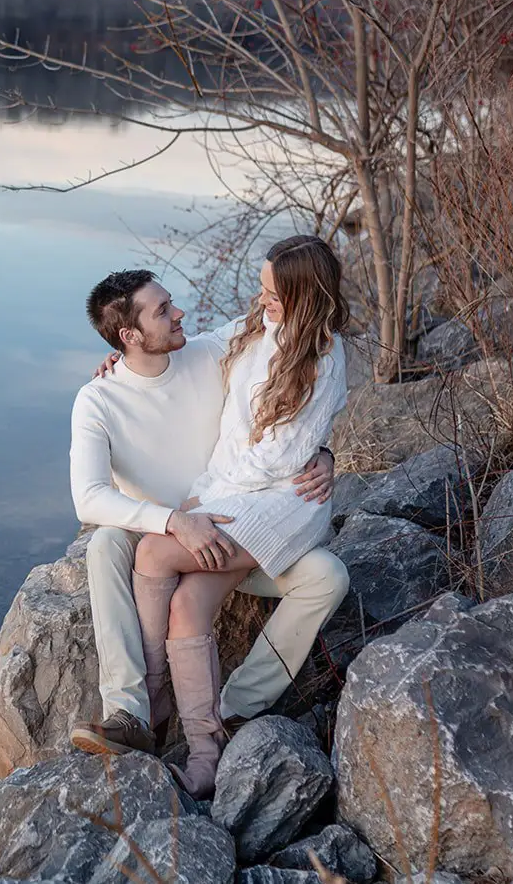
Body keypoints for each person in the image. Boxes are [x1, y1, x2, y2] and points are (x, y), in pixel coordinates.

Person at [66, 256, 344, 765]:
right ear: (128, 335)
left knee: (328, 575)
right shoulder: (98, 399)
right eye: (163, 310)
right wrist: (176, 521)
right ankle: (133, 711)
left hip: (237, 519)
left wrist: (322, 456)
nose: (180, 314)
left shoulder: (212, 351)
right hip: (166, 533)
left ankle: (238, 707)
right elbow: (88, 498)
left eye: (171, 303)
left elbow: (295, 364)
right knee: (105, 541)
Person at [131, 234, 352, 797]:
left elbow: (281, 458)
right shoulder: (255, 330)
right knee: (186, 604)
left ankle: (154, 697)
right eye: (261, 288)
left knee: (156, 549)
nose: (261, 299)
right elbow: (192, 349)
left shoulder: (324, 357)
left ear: (304, 295)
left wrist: (203, 503)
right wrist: (128, 355)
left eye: (273, 293)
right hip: (236, 499)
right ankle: (208, 749)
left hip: (280, 507)